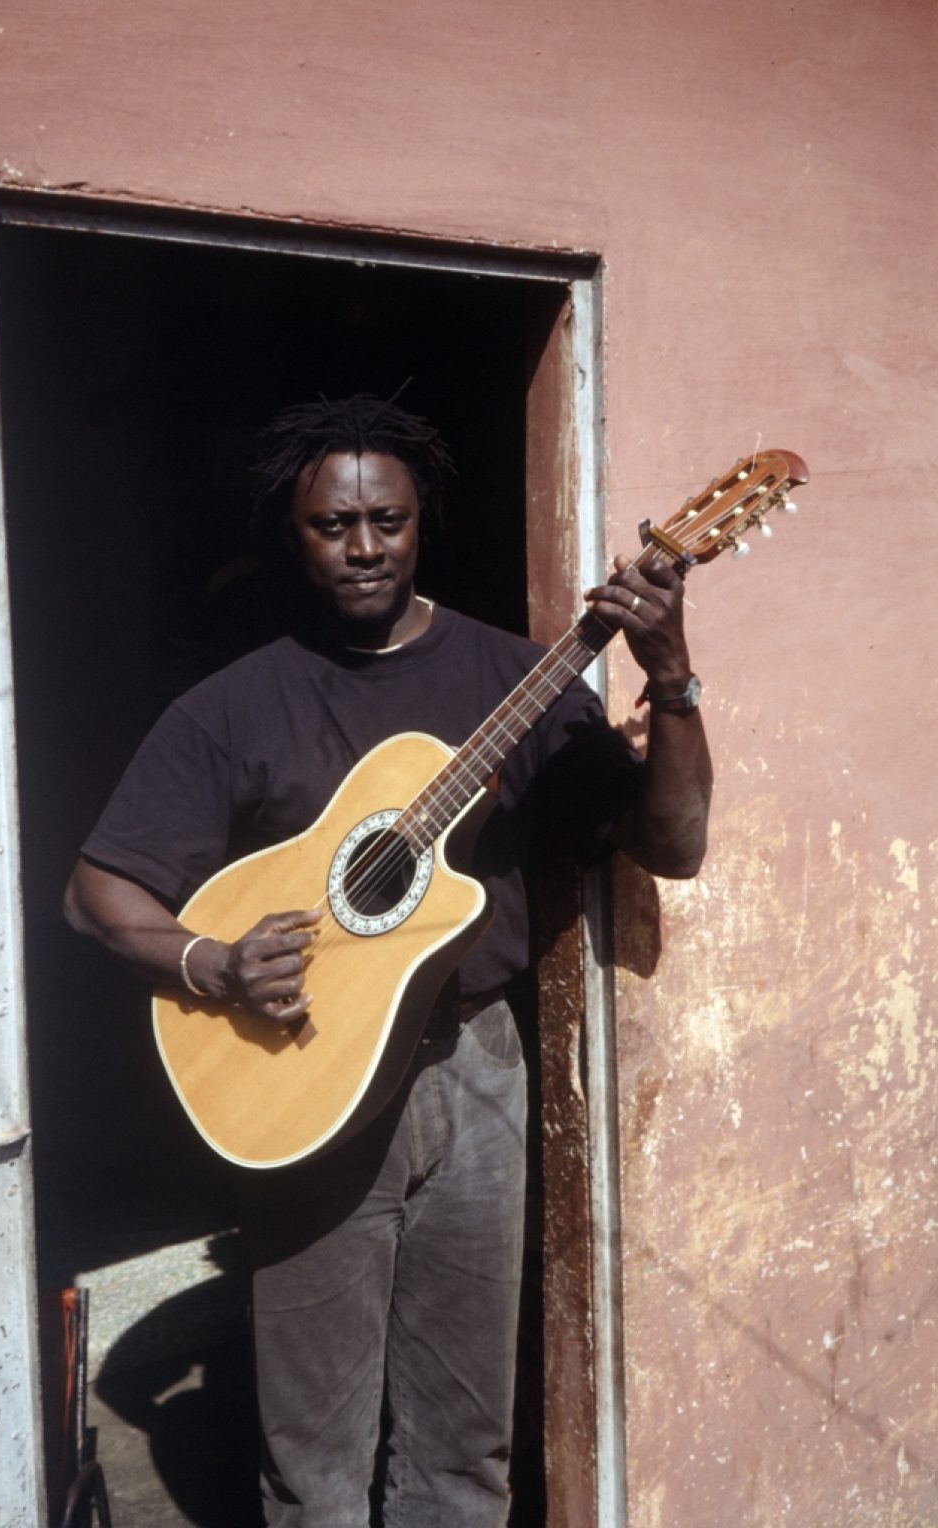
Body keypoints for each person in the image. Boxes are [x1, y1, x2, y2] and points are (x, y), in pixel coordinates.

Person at [64, 394, 711, 1527]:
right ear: (294, 533)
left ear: (422, 525)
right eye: (333, 525)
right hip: (308, 1073)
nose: (363, 547)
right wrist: (211, 962)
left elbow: (675, 846)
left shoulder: (519, 680)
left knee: (465, 1448)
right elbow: (96, 892)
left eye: (388, 521)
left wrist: (672, 676)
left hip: (479, 1069)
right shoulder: (232, 706)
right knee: (312, 1466)